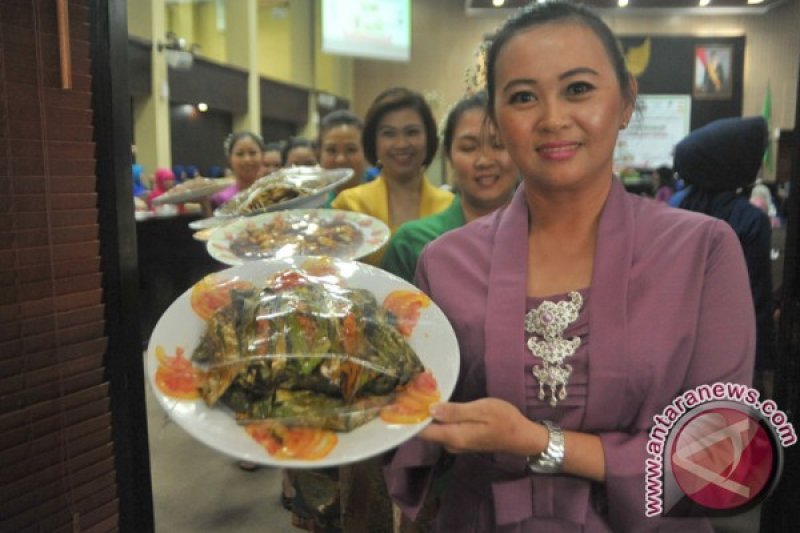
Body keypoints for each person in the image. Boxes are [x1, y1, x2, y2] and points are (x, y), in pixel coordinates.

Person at [385, 3, 755, 531]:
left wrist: (540, 443)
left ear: (626, 99)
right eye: (523, 97)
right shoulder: (445, 264)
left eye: (578, 88)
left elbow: (719, 464)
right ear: (495, 118)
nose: (553, 118)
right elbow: (409, 436)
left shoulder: (703, 252)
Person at [675, 116, 774, 395]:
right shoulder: (750, 219)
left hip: (676, 348)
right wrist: (763, 359)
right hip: (730, 347)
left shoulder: (676, 205)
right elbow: (755, 295)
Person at [381, 91, 518, 283]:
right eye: (468, 148)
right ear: (449, 155)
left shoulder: (549, 237)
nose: (484, 160)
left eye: (498, 145)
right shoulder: (412, 242)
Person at [331, 87, 454, 265]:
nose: (401, 144)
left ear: (428, 138)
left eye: (412, 132)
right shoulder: (349, 206)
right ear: (374, 142)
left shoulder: (450, 206)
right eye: (388, 133)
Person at [317, 110, 371, 206]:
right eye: (331, 150)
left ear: (366, 152)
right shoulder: (309, 204)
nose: (340, 159)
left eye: (351, 150)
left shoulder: (385, 198)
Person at [210, 131, 265, 208]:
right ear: (230, 159)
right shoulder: (220, 198)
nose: (247, 160)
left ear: (262, 156)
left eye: (252, 153)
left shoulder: (274, 191)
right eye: (240, 154)